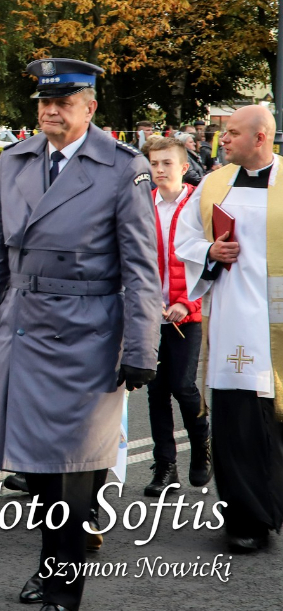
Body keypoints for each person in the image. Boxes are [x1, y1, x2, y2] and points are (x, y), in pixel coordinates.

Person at [0, 58, 161, 610]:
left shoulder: (123, 167)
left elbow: (142, 267)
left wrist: (141, 347)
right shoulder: (15, 161)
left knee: (73, 472)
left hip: (87, 337)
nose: (50, 111)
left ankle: (64, 589)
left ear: (90, 107)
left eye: (63, 102)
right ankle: (52, 565)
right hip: (24, 331)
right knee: (38, 470)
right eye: (44, 103)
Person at [174, 104, 283, 552]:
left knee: (273, 422)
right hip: (231, 318)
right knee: (235, 422)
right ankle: (245, 518)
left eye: (234, 133)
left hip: (276, 322)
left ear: (260, 138)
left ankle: (272, 506)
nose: (224, 140)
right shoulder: (214, 184)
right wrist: (209, 253)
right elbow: (185, 239)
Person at [140, 136, 210, 497]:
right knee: (156, 391)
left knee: (183, 386)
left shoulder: (198, 205)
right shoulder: (143, 205)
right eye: (154, 163)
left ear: (183, 167)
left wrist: (187, 303)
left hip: (187, 315)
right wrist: (145, 302)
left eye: (167, 163)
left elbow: (207, 262)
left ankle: (201, 446)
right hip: (153, 316)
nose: (160, 169)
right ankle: (165, 465)